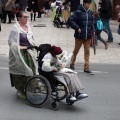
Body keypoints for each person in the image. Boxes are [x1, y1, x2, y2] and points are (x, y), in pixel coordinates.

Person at [8, 11, 37, 99]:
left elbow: (31, 39)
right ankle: (20, 90)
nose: (26, 19)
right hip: (19, 54)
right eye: (24, 17)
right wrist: (20, 47)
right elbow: (11, 42)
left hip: (29, 53)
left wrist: (34, 46)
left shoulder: (28, 27)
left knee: (30, 71)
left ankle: (29, 87)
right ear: (19, 18)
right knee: (20, 72)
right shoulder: (15, 28)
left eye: (27, 17)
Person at [67, 0, 94, 75]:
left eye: (89, 4)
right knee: (76, 51)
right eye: (88, 4)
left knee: (87, 52)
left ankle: (86, 67)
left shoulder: (90, 12)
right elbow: (70, 20)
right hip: (79, 36)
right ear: (84, 3)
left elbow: (90, 23)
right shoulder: (78, 12)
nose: (89, 5)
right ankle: (72, 63)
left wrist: (92, 30)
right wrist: (77, 28)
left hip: (87, 35)